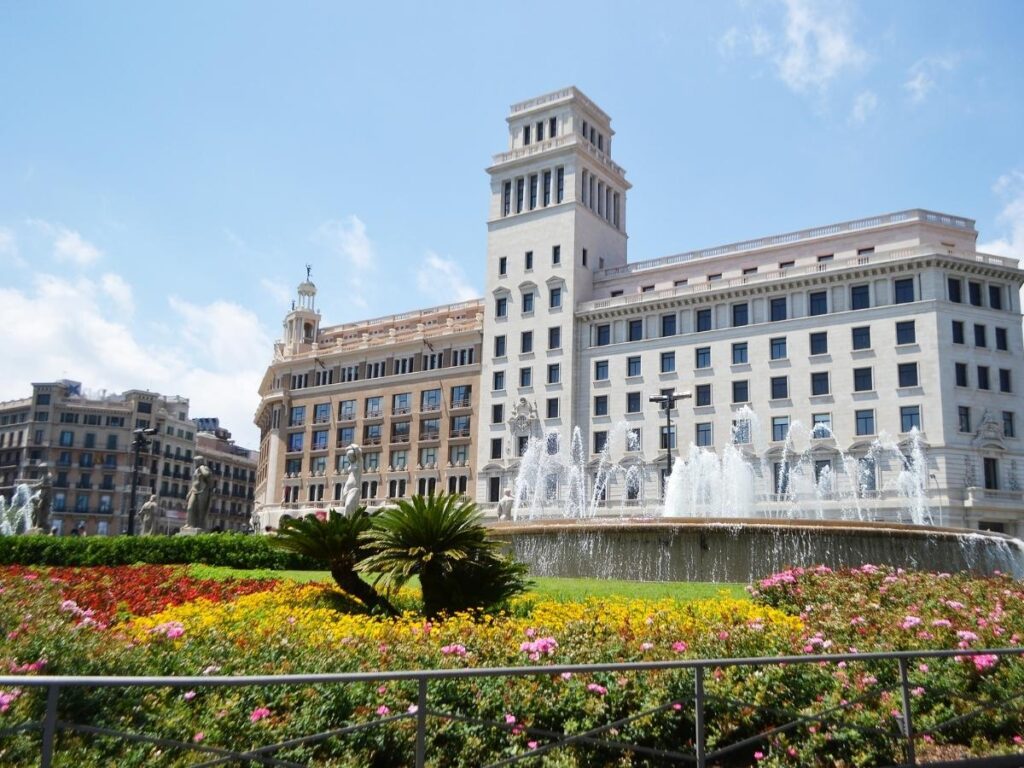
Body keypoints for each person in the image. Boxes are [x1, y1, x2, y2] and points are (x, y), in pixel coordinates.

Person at [185, 455, 214, 529]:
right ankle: (190, 524)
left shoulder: (204, 468)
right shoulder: (195, 470)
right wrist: (189, 493)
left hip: (203, 491)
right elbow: (194, 482)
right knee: (190, 508)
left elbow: (206, 474)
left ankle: (200, 525)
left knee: (201, 509)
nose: (195, 463)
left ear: (200, 461)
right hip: (194, 490)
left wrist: (201, 467)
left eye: (196, 461)